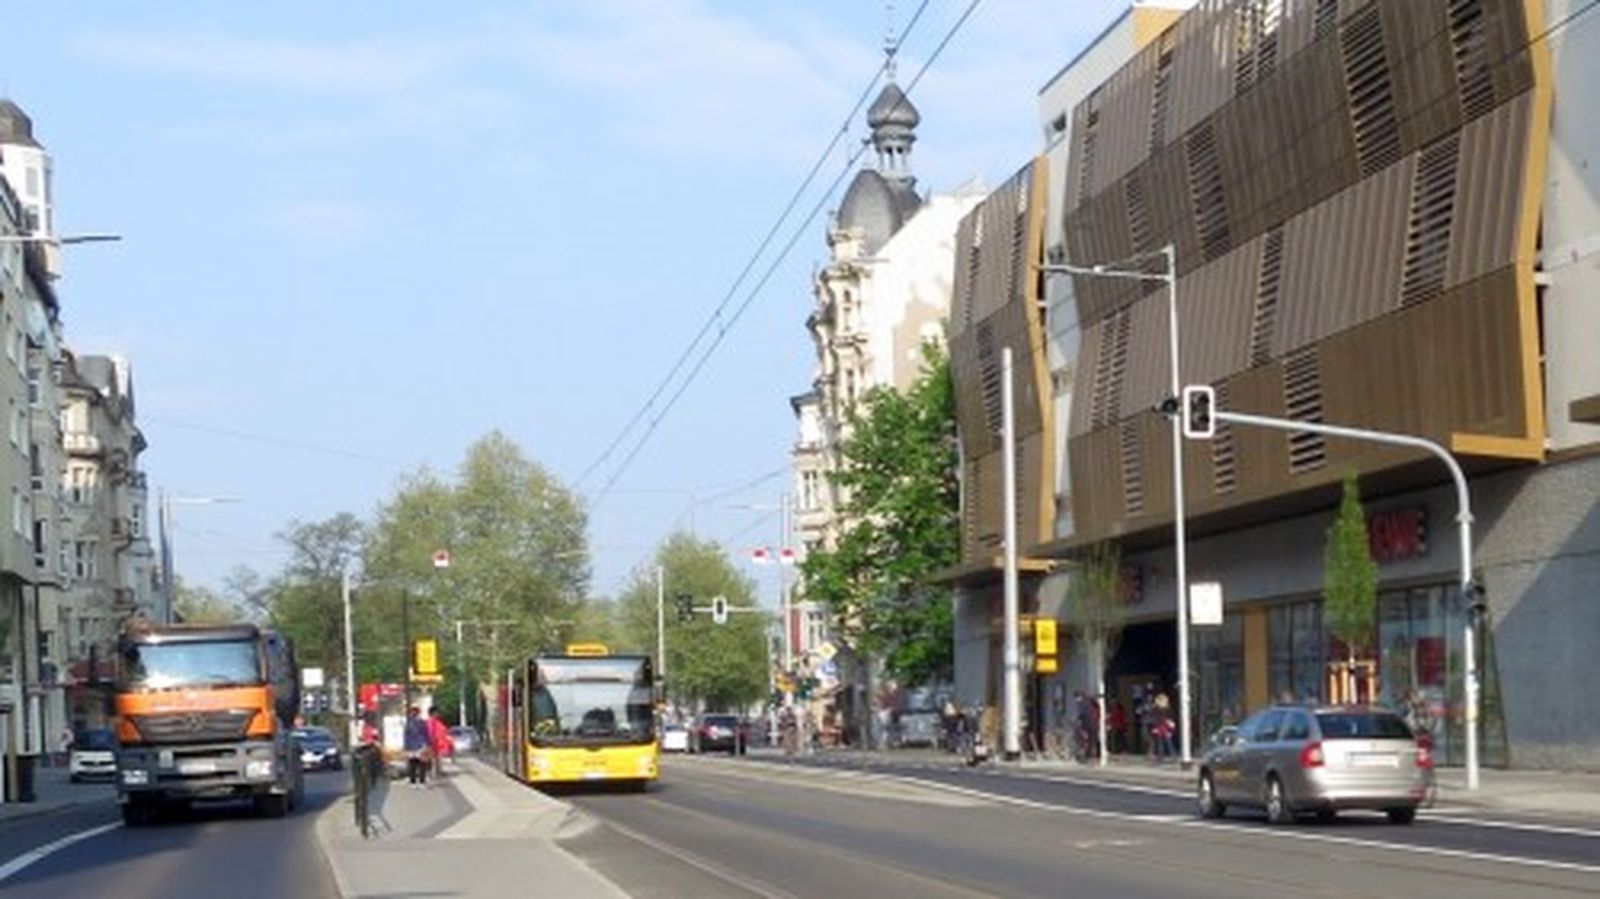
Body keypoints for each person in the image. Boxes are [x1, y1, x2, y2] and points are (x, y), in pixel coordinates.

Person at [403, 706, 431, 787]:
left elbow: (406, 736)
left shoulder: (409, 723)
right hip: (419, 745)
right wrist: (427, 744)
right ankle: (420, 781)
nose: (413, 714)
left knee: (414, 763)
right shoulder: (421, 723)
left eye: (413, 712)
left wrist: (406, 746)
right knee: (420, 764)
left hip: (413, 745)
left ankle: (414, 781)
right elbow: (426, 734)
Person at [427, 708, 454, 779]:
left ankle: (437, 771)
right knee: (434, 759)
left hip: (439, 744)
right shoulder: (431, 721)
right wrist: (431, 742)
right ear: (433, 713)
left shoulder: (436, 721)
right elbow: (431, 732)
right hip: (435, 743)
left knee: (437, 758)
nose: (439, 714)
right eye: (437, 712)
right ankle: (434, 773)